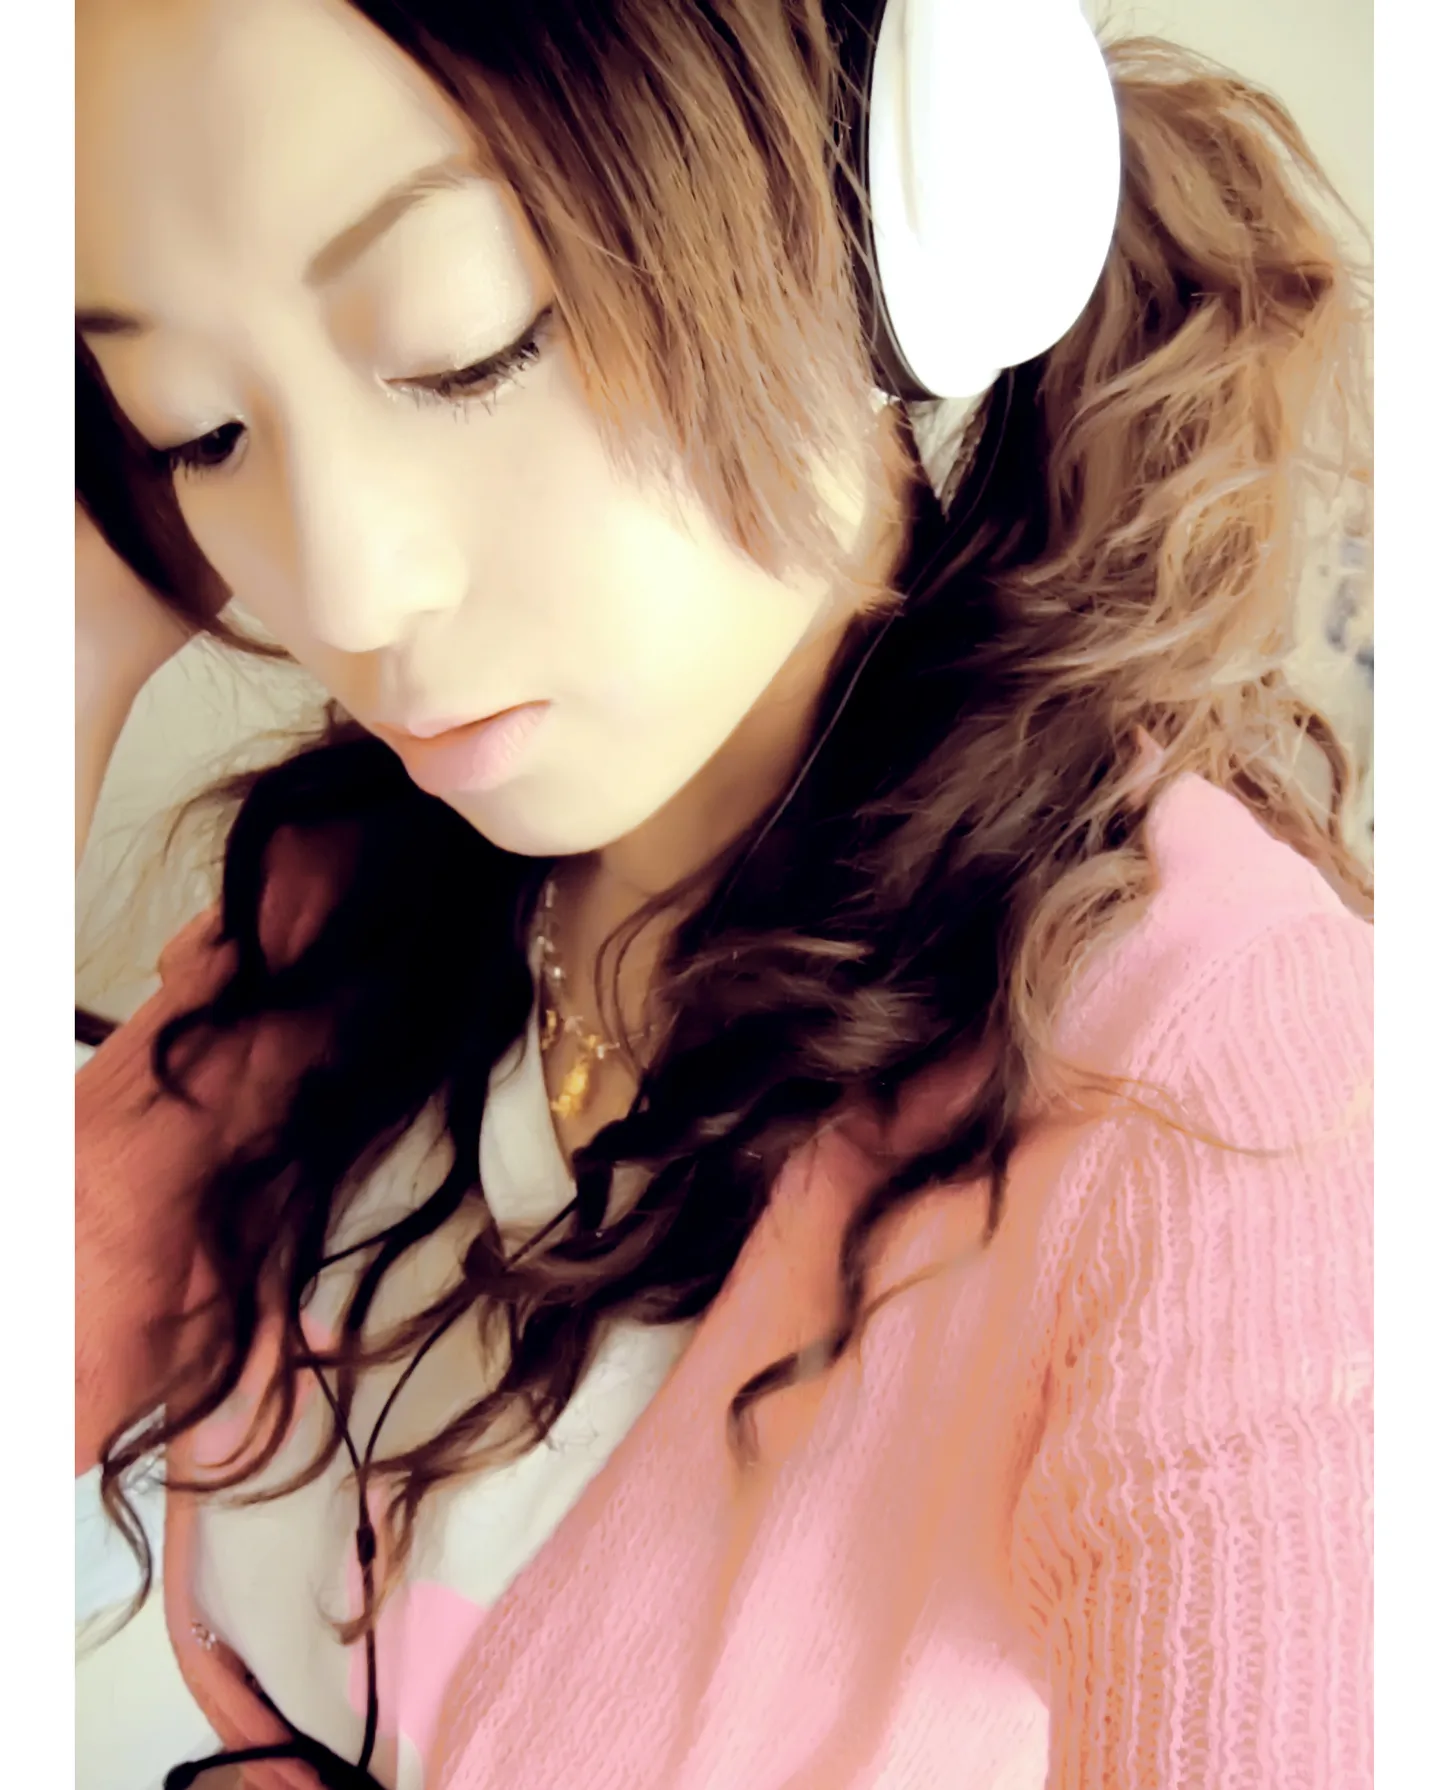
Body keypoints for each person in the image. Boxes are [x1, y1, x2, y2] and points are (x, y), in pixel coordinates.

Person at [74, 2, 1374, 1787]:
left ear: (883, 226)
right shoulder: (349, 898)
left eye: (467, 347)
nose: (347, 593)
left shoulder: (1226, 1088)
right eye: (200, 428)